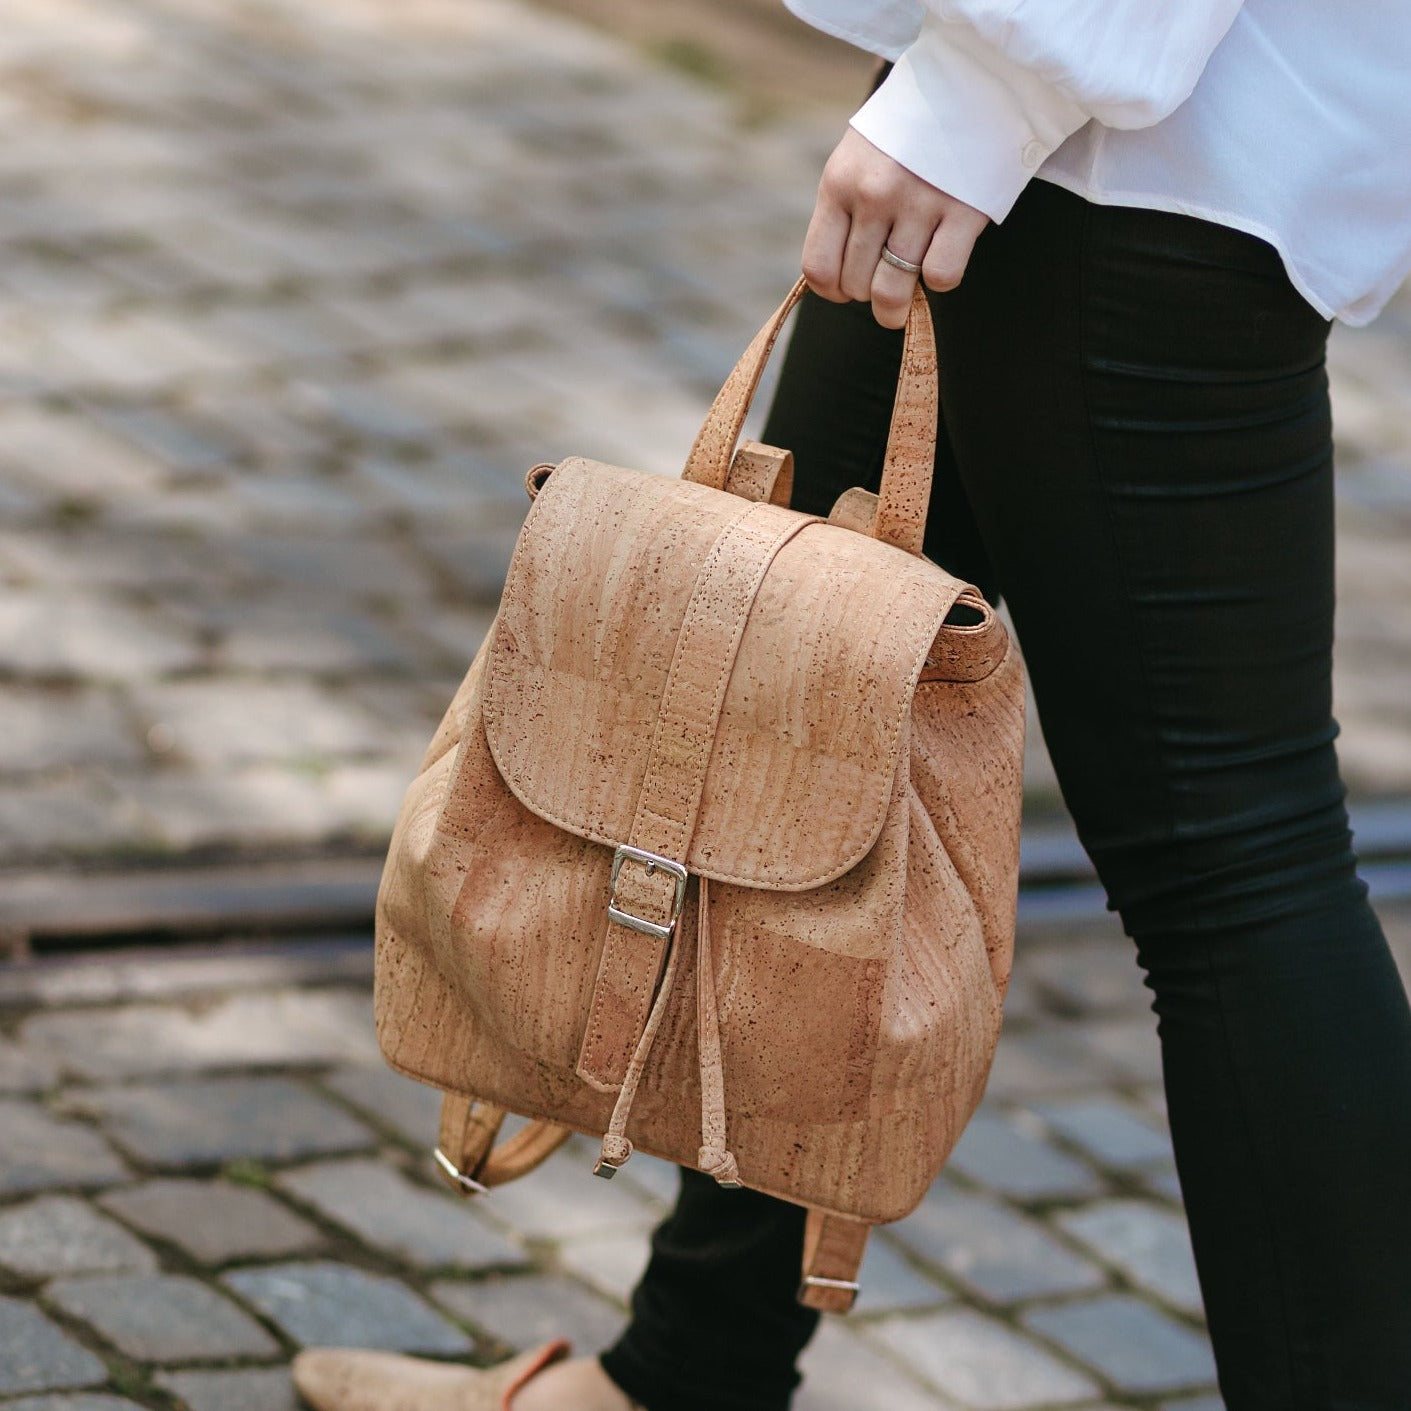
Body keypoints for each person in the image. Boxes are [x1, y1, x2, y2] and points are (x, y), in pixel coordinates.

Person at [292, 2, 1411, 1408]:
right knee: (799, 720)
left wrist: (985, 98)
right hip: (1055, 129)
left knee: (1232, 867)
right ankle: (688, 1373)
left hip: (1116, 160)